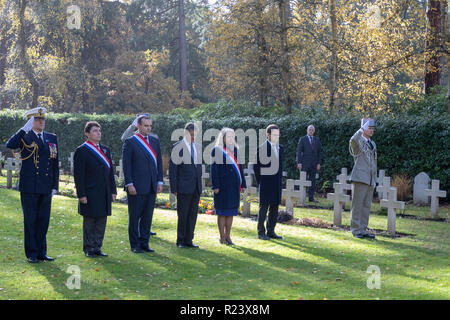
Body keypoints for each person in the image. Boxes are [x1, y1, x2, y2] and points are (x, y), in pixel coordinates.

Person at [6, 107, 59, 263]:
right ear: (31, 121)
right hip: (30, 185)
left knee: (43, 220)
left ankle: (42, 252)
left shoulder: (51, 138)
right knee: (30, 220)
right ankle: (32, 253)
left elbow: (55, 163)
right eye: (37, 119)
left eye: (42, 119)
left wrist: (55, 185)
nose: (41, 122)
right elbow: (10, 144)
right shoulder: (25, 137)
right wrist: (24, 129)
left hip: (46, 185)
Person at [73, 121, 117, 257]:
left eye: (99, 130)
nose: (98, 133)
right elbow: (79, 175)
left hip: (104, 192)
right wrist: (81, 194)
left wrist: (113, 190)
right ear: (87, 133)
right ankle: (88, 248)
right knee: (90, 222)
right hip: (90, 192)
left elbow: (110, 172)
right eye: (95, 131)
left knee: (101, 220)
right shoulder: (82, 150)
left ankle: (97, 247)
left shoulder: (105, 150)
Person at [122, 114, 163, 253]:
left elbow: (159, 163)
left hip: (151, 185)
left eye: (150, 126)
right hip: (136, 186)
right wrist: (129, 184)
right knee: (134, 217)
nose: (148, 128)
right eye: (146, 126)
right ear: (138, 126)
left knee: (147, 217)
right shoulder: (131, 141)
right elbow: (126, 166)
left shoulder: (155, 141)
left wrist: (159, 181)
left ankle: (144, 243)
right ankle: (135, 245)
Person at [210, 128, 246, 245]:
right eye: (228, 136)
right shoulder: (217, 150)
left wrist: (243, 184)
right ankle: (222, 237)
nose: (230, 139)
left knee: (230, 212)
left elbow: (240, 168)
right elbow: (214, 169)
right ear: (223, 138)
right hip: (222, 186)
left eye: (232, 136)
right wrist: (215, 185)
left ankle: (228, 236)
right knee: (222, 212)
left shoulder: (236, 150)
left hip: (233, 186)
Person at [169, 122, 202, 248]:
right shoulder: (177, 147)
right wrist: (174, 188)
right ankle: (180, 240)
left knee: (193, 214)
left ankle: (189, 240)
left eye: (195, 135)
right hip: (183, 187)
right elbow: (173, 170)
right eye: (192, 135)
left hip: (196, 187)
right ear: (185, 133)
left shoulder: (198, 147)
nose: (193, 138)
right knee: (182, 215)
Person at [254, 124, 283, 240]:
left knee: (274, 208)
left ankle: (271, 231)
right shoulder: (261, 148)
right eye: (274, 134)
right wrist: (261, 182)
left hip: (276, 183)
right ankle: (261, 232)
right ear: (268, 134)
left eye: (278, 134)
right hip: (266, 182)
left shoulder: (281, 148)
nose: (276, 136)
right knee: (264, 208)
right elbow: (257, 167)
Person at [349, 118, 377, 239]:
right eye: (369, 128)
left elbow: (374, 162)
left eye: (372, 129)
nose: (371, 131)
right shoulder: (358, 142)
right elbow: (353, 140)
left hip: (370, 179)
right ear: (364, 129)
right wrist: (360, 130)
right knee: (357, 205)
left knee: (366, 206)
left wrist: (374, 179)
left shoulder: (373, 144)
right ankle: (356, 230)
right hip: (360, 177)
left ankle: (363, 229)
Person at [296, 125, 322, 202]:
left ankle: (311, 198)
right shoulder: (302, 139)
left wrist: (318, 163)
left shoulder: (317, 140)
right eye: (309, 129)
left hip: (314, 164)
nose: (311, 131)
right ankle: (302, 197)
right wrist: (299, 163)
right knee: (303, 181)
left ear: (314, 131)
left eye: (312, 130)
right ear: (307, 130)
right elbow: (299, 152)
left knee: (312, 181)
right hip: (304, 164)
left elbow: (319, 153)